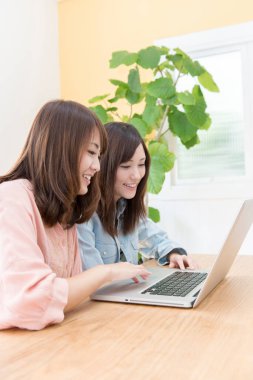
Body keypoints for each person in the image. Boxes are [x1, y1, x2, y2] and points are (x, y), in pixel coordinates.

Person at [0, 101, 150, 331]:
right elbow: (32, 301)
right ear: (61, 148)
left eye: (98, 155)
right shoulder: (12, 198)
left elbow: (70, 295)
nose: (98, 166)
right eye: (91, 152)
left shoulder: (65, 211)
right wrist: (106, 272)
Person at [78, 122, 197, 271]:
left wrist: (174, 254)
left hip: (128, 291)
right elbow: (93, 278)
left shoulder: (124, 208)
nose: (136, 175)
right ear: (104, 166)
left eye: (141, 164)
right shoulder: (83, 216)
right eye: (126, 166)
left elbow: (158, 239)